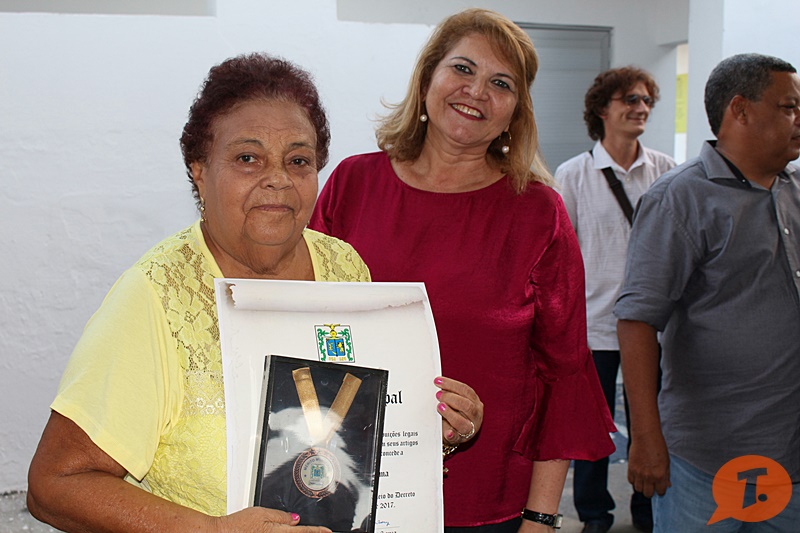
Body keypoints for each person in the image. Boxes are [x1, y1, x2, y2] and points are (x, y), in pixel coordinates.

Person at [26, 52, 481, 533]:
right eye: (248, 158)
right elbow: (55, 484)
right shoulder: (158, 296)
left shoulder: (343, 267)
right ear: (199, 170)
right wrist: (211, 531)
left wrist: (427, 431)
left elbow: (351, 428)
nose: (278, 179)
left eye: (298, 161)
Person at [309, 8, 616, 532]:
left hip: (485, 501)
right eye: (463, 68)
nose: (476, 91)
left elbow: (563, 373)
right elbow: (306, 324)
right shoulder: (352, 184)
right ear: (427, 78)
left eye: (501, 83)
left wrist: (541, 517)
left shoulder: (538, 212)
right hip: (349, 487)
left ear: (515, 112)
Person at [615, 53, 800, 532]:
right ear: (740, 110)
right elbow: (637, 321)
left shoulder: (793, 191)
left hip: (789, 457)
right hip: (706, 458)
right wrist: (646, 439)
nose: (798, 119)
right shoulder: (681, 198)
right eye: (788, 107)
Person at [554, 67, 675, 533]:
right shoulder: (574, 174)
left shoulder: (666, 171)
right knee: (593, 428)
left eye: (646, 101)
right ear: (602, 110)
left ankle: (648, 510)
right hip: (596, 324)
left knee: (653, 424)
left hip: (655, 325)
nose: (641, 108)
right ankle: (594, 515)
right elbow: (563, 256)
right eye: (630, 100)